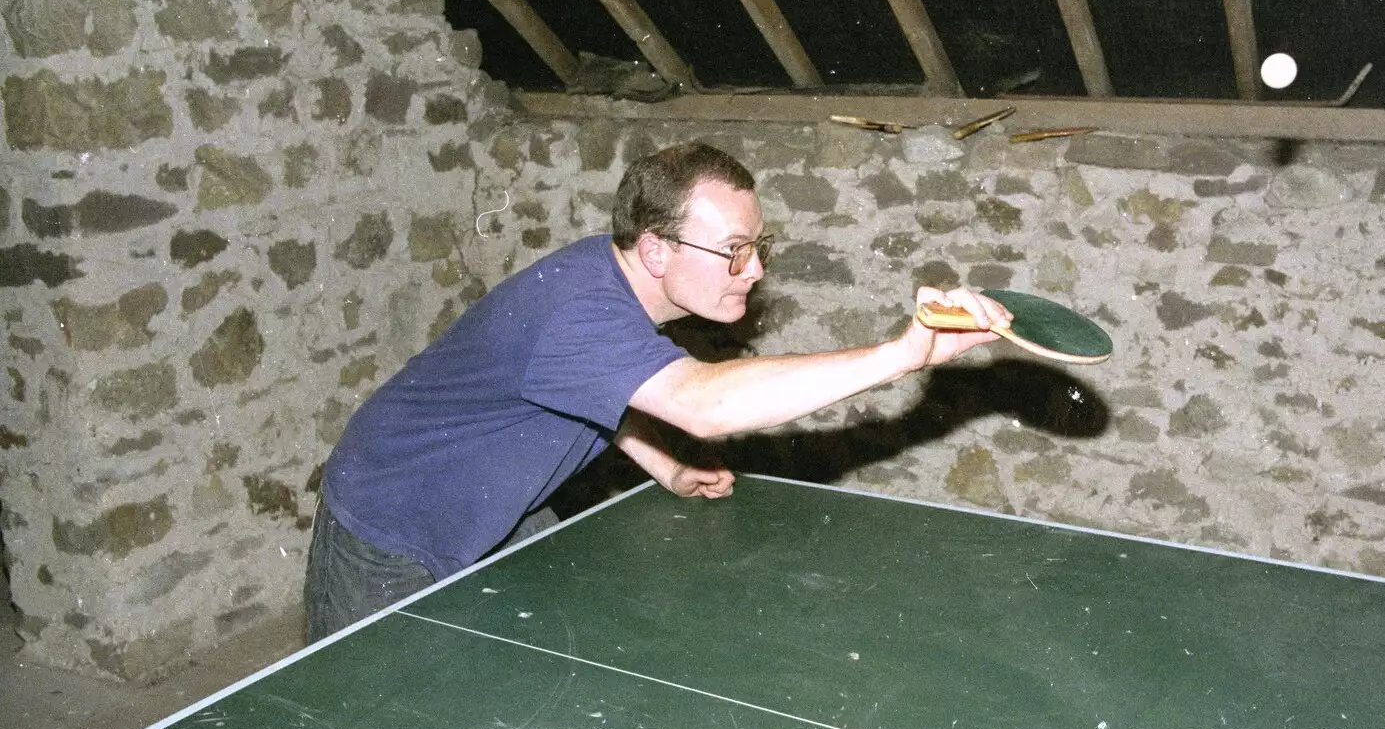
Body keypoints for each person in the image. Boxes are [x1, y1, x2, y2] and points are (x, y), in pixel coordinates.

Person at [306, 141, 1009, 641]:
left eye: (759, 245)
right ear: (655, 250)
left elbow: (589, 391)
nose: (755, 268)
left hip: (492, 505)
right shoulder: (581, 312)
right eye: (735, 249)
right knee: (376, 727)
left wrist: (661, 462)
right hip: (390, 522)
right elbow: (702, 402)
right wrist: (902, 353)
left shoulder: (613, 281)